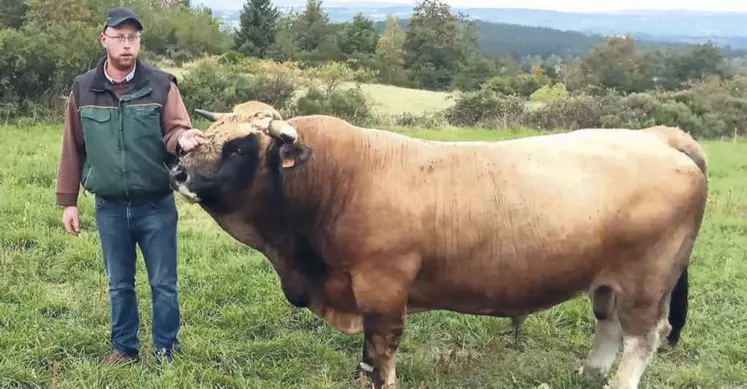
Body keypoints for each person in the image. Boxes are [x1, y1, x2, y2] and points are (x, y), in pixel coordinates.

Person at [55, 7, 205, 365]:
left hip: (155, 205)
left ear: (139, 42)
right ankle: (125, 349)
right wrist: (69, 201)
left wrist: (183, 138)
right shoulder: (83, 88)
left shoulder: (161, 84)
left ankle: (166, 350)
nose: (127, 44)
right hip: (108, 207)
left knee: (163, 284)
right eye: (119, 37)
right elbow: (73, 146)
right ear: (104, 40)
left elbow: (175, 130)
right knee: (119, 285)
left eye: (133, 37)